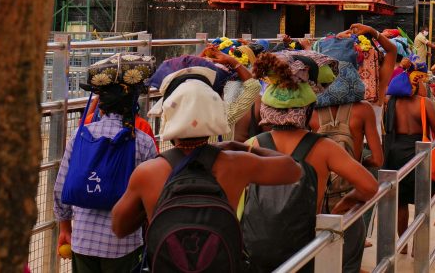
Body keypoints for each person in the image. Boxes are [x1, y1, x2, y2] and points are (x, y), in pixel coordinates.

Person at [111, 67, 303, 269]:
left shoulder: (147, 172)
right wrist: (242, 147)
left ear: (169, 117)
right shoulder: (236, 163)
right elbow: (293, 170)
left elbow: (119, 228)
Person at [242, 52, 379, 272]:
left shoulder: (251, 146)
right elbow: (369, 186)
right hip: (304, 248)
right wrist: (342, 207)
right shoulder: (323, 148)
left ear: (267, 109)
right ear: (306, 110)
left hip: (257, 249)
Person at [54, 54, 158, 273]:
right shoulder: (143, 142)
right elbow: (152, 197)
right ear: (133, 103)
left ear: (100, 105)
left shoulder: (79, 136)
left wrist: (65, 228)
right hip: (124, 243)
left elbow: (61, 186)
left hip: (83, 240)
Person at [310, 59, 383, 273]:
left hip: (317, 196)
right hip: (348, 196)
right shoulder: (363, 110)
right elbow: (378, 159)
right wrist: (356, 164)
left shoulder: (311, 112)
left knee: (319, 260)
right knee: (350, 261)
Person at [382, 61, 435, 243]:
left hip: (395, 152)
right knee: (422, 201)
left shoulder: (391, 103)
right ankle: (417, 245)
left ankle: (403, 243)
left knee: (401, 203)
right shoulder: (424, 103)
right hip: (418, 152)